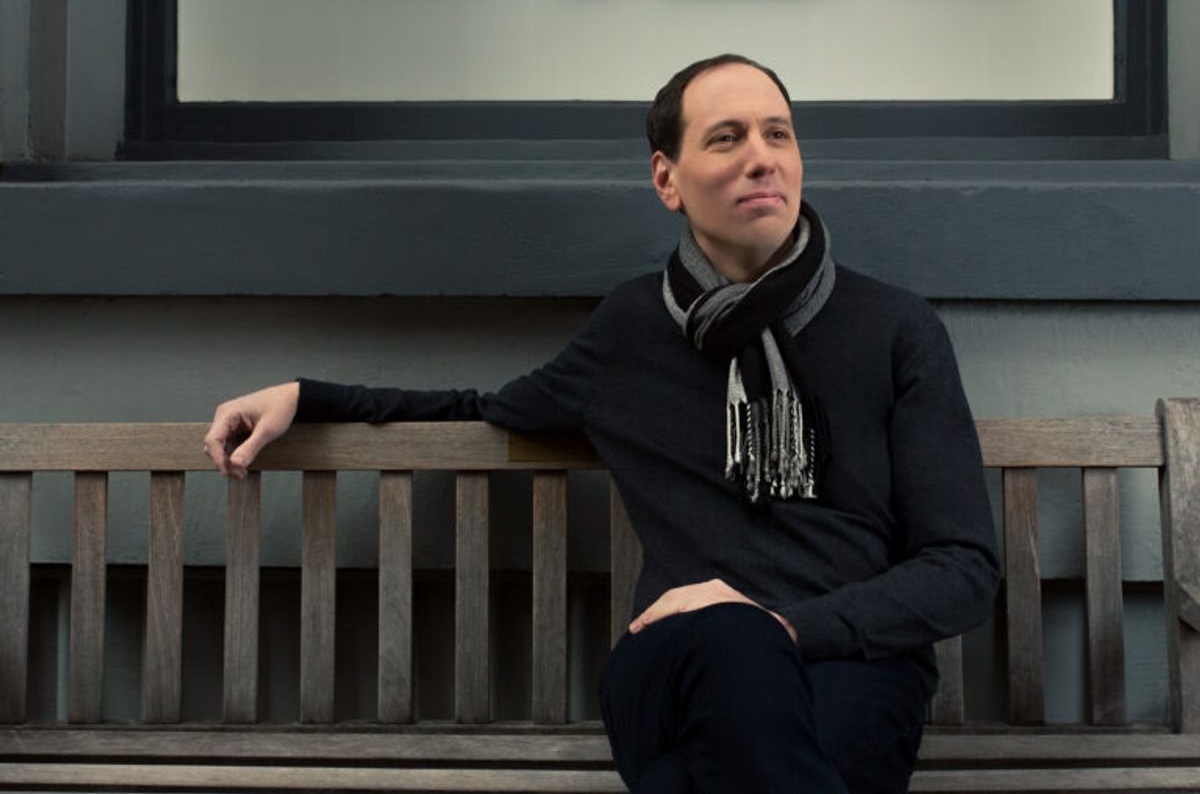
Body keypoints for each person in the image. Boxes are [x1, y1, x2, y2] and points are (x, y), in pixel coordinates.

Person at [204, 54, 999, 793]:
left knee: (745, 750)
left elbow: (961, 566)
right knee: (732, 646)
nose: (762, 158)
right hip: (675, 658)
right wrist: (310, 396)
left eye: (778, 134)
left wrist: (787, 626)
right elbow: (482, 410)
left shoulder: (894, 330)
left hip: (851, 661)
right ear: (667, 179)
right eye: (726, 138)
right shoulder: (630, 333)